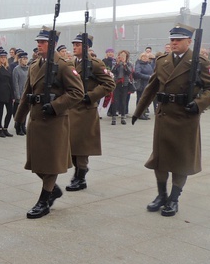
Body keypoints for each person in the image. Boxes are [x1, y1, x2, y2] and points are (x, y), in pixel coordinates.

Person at [131, 24, 210, 217]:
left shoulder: (200, 62)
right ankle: (161, 195)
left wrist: (199, 103)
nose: (174, 42)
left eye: (179, 39)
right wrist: (138, 111)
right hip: (164, 115)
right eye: (172, 39)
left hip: (186, 117)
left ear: (189, 41)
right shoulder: (162, 61)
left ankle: (173, 199)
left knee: (181, 159)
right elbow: (151, 87)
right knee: (160, 159)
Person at [13, 27, 84, 219]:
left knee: (50, 163)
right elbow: (26, 94)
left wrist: (55, 106)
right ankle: (52, 190)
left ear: (51, 44)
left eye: (42, 42)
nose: (38, 45)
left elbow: (78, 92)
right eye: (38, 42)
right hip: (36, 120)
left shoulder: (63, 65)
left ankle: (44, 200)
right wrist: (19, 118)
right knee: (36, 163)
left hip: (54, 122)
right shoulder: (35, 65)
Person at [66, 34, 115, 191]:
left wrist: (91, 96)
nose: (74, 47)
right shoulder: (71, 63)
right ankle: (80, 171)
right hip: (71, 109)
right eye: (74, 44)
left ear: (86, 47)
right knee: (72, 145)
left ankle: (80, 177)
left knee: (82, 146)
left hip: (86, 110)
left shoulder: (94, 64)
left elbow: (109, 83)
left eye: (78, 45)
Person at [0, 50, 14, 137]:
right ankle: (0, 129)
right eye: (2, 57)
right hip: (0, 92)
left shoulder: (8, 68)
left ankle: (5, 128)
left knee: (10, 111)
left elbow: (11, 82)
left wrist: (13, 95)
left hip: (8, 92)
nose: (3, 59)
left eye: (5, 57)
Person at [110, 50, 132, 125]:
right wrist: (117, 64)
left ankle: (123, 117)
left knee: (123, 101)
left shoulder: (129, 63)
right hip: (116, 83)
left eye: (124, 55)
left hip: (125, 84)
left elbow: (129, 72)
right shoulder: (115, 63)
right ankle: (113, 117)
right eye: (121, 55)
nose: (122, 57)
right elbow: (112, 71)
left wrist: (125, 64)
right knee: (115, 101)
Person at [11, 51, 29, 135]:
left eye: (26, 59)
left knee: (25, 111)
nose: (25, 61)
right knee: (19, 111)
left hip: (26, 93)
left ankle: (23, 126)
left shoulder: (28, 69)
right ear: (20, 60)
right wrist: (17, 95)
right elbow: (15, 83)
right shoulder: (16, 69)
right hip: (19, 94)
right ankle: (18, 127)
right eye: (24, 59)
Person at [133, 51, 154, 120]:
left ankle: (143, 113)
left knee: (145, 99)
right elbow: (137, 73)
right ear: (141, 57)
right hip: (141, 84)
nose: (145, 58)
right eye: (143, 57)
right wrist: (148, 77)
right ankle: (139, 114)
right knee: (140, 99)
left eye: (146, 57)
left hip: (147, 84)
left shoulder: (148, 64)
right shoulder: (139, 64)